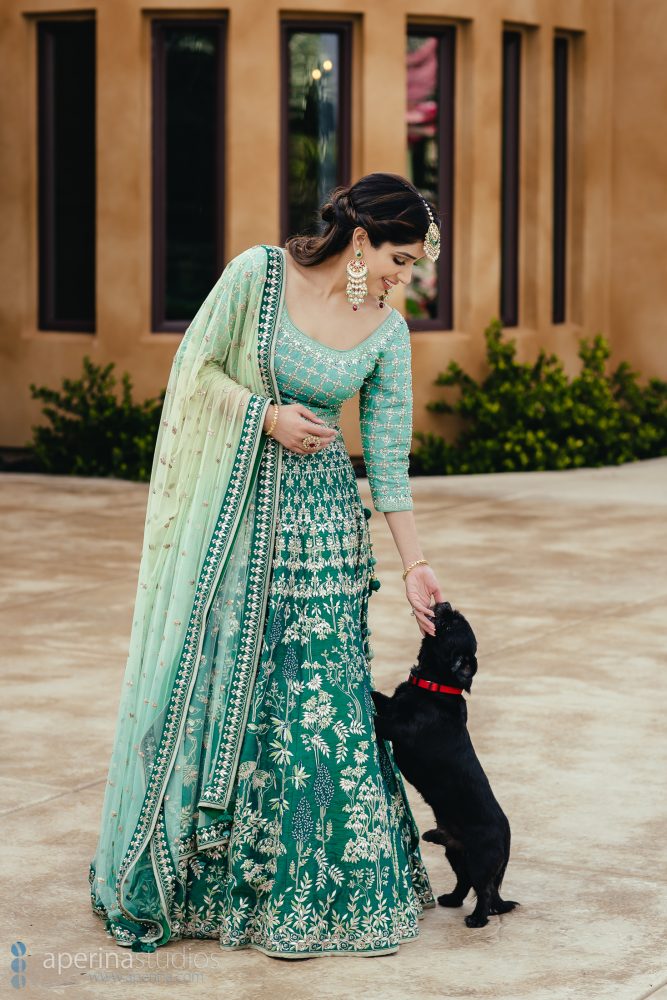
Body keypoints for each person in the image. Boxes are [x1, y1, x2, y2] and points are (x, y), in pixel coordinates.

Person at [88, 171, 445, 959]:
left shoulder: (386, 332)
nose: (403, 277)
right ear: (360, 240)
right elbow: (194, 373)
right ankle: (209, 885)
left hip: (324, 543)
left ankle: (319, 890)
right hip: (237, 529)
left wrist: (415, 564)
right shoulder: (258, 276)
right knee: (228, 697)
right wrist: (266, 415)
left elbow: (387, 458)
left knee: (320, 712)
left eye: (413, 265)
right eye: (399, 258)